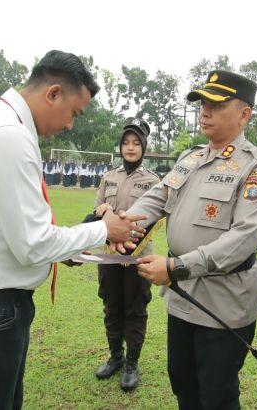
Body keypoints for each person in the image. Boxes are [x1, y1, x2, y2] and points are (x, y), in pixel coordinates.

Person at [0, 50, 145, 409]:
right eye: (74, 112)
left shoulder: (3, 126)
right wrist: (104, 231)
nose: (71, 125)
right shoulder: (4, 134)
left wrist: (71, 248)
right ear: (53, 93)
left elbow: (16, 231)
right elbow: (33, 243)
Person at [129, 71, 257, 409]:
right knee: (183, 384)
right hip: (182, 298)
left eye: (216, 104)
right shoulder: (190, 158)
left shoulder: (256, 168)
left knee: (217, 396)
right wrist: (123, 222)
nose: (205, 111)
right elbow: (156, 196)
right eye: (203, 104)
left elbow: (245, 238)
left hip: (222, 302)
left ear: (244, 114)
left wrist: (178, 266)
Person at [92, 117, 161, 391]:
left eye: (136, 143)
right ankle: (115, 358)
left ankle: (132, 363)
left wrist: (131, 241)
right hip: (108, 255)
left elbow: (156, 218)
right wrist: (103, 214)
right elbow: (97, 210)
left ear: (143, 147)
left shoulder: (154, 181)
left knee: (135, 308)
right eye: (126, 143)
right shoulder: (108, 177)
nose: (130, 148)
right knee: (111, 306)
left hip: (138, 256)